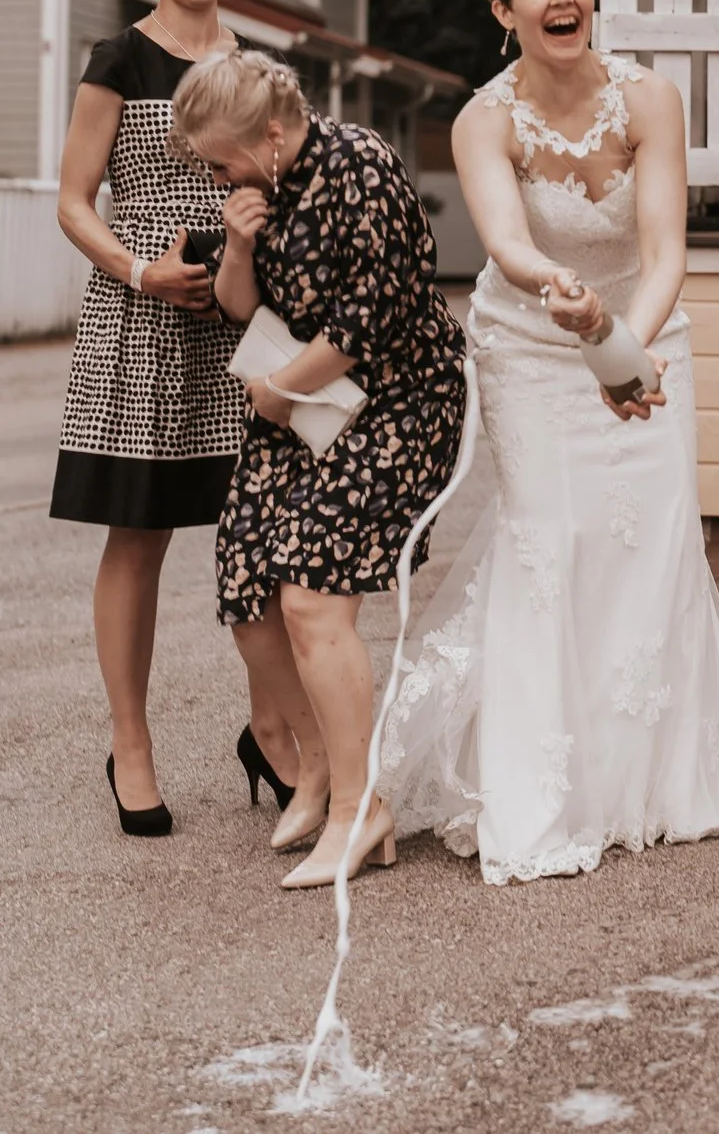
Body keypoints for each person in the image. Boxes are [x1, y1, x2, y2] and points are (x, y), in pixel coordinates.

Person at [381, 0, 719, 883]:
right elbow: (505, 238)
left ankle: (657, 785)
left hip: (645, 331)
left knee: (651, 539)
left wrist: (625, 351)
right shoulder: (483, 118)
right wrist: (558, 298)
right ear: (504, 9)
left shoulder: (650, 98)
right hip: (527, 342)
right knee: (550, 540)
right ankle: (544, 791)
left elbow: (665, 250)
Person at [176, 49, 470, 890]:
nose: (213, 171)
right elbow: (243, 307)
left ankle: (360, 805)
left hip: (399, 400)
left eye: (221, 157)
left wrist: (274, 387)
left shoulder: (360, 167)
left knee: (308, 585)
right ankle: (316, 766)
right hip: (308, 401)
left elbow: (362, 328)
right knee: (245, 575)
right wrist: (236, 243)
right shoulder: (261, 184)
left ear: (272, 131)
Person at [52, 0, 297, 838]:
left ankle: (274, 731)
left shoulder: (258, 64)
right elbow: (73, 198)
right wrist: (139, 270)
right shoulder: (119, 57)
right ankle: (132, 745)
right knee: (141, 537)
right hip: (144, 316)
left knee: (270, 539)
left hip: (247, 318)